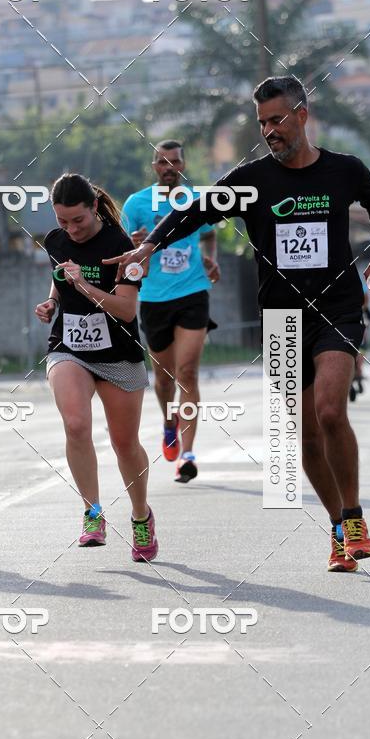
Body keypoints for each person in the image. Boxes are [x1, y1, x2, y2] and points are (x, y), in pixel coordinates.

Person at [105, 75, 370, 573]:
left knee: (330, 410)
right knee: (306, 435)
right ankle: (335, 530)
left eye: (277, 120)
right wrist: (149, 245)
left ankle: (353, 518)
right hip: (281, 317)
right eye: (262, 123)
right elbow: (195, 211)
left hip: (337, 308)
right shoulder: (250, 181)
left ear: (302, 115)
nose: (269, 131)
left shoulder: (343, 170)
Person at [35, 173, 158, 562]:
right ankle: (92, 513)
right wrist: (52, 302)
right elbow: (61, 279)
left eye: (79, 220)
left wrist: (84, 286)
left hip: (118, 352)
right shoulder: (55, 241)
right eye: (63, 221)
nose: (71, 229)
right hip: (69, 346)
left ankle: (141, 516)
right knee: (75, 424)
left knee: (124, 443)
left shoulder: (122, 246)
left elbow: (127, 310)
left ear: (93, 208)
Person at [121, 140, 219, 483]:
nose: (169, 168)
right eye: (163, 162)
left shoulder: (196, 200)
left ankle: (187, 455)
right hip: (154, 297)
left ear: (183, 165)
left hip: (193, 292)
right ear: (154, 167)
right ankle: (168, 420)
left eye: (175, 162)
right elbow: (123, 247)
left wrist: (211, 260)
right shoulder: (136, 203)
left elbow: (209, 235)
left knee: (187, 372)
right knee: (164, 379)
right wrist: (134, 243)